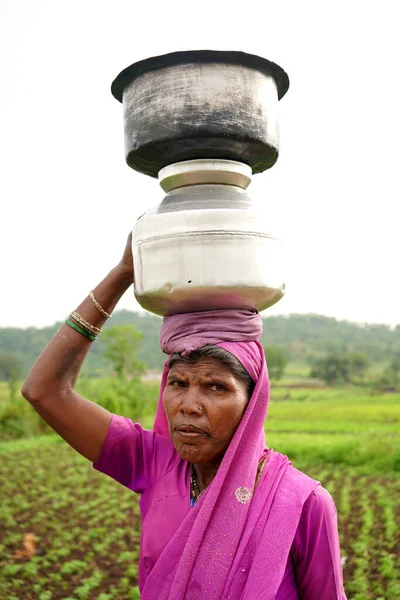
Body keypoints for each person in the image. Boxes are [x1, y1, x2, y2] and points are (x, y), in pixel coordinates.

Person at [22, 235, 347, 599]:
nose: (189, 405)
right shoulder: (154, 461)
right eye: (177, 382)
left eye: (216, 387)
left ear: (252, 401)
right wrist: (123, 273)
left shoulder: (303, 504)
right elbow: (45, 392)